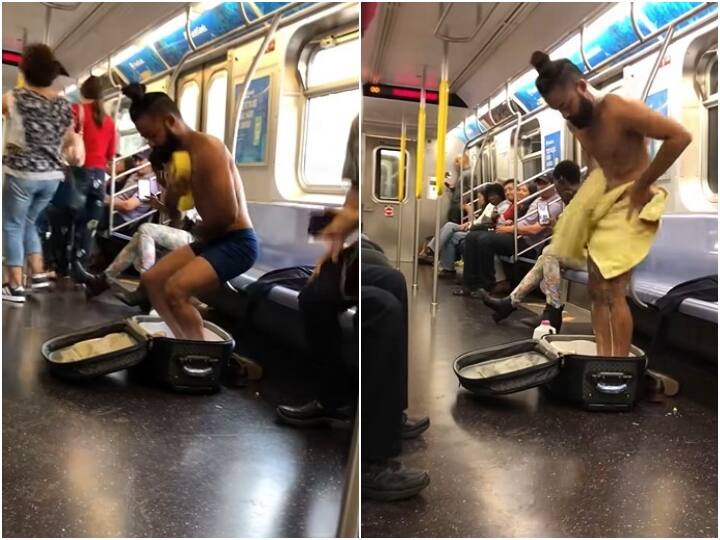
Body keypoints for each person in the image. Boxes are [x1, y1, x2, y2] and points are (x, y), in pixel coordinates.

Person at [529, 50, 691, 356]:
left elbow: (679, 137)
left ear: (581, 87)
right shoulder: (575, 124)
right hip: (606, 202)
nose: (566, 115)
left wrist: (642, 185)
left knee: (612, 288)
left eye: (566, 106)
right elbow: (597, 163)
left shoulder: (620, 109)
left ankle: (618, 365)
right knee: (595, 288)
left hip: (633, 200)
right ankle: (602, 358)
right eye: (558, 111)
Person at [121, 83, 258, 340]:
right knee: (152, 281)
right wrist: (173, 190)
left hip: (238, 243)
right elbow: (177, 215)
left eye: (153, 135)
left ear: (170, 121)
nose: (152, 144)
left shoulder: (207, 149)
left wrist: (193, 229)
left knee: (175, 290)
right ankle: (183, 342)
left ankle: (200, 354)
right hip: (212, 239)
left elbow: (227, 216)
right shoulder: (179, 157)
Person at [2, 44, 73, 303]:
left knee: (11, 224)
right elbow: (67, 140)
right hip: (52, 177)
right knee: (29, 222)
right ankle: (38, 273)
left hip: (22, 174)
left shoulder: (15, 96)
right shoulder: (65, 104)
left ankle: (14, 286)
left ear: (25, 70)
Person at [482, 160, 583, 330]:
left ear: (561, 182)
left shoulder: (584, 201)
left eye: (558, 189)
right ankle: (513, 304)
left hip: (599, 256)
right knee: (548, 254)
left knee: (550, 252)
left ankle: (551, 311)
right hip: (584, 252)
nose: (559, 195)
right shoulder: (573, 201)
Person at [455, 174, 564, 297]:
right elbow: (527, 221)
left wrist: (512, 228)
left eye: (545, 184)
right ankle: (470, 285)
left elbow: (535, 230)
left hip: (525, 242)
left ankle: (486, 286)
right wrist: (512, 223)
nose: (541, 187)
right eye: (539, 184)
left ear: (554, 185)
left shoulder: (554, 204)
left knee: (483, 240)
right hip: (516, 235)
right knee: (471, 237)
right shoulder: (539, 201)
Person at [72, 75, 117, 262]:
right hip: (99, 177)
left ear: (83, 92)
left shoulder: (76, 110)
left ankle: (63, 267)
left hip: (79, 173)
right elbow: (111, 154)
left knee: (71, 220)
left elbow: (65, 141)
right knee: (89, 225)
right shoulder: (109, 121)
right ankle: (81, 266)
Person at [430, 182, 506, 276]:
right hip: (475, 228)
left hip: (479, 230)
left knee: (450, 227)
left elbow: (484, 223)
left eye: (480, 197)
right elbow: (479, 221)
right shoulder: (490, 206)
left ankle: (434, 251)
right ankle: (444, 264)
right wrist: (469, 224)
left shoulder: (498, 207)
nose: (479, 200)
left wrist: (470, 215)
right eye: (489, 196)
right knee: (451, 234)